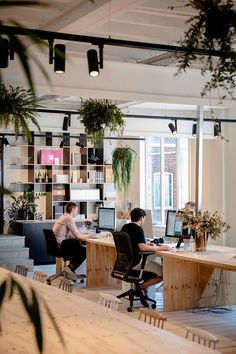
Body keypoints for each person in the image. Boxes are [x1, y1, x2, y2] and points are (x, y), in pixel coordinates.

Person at [121, 207, 169, 306]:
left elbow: (136, 244)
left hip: (126, 264)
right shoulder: (138, 230)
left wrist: (148, 245)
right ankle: (141, 287)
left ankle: (142, 290)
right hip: (136, 263)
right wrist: (160, 248)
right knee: (164, 273)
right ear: (142, 218)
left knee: (153, 269)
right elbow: (142, 248)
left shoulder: (125, 227)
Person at [52, 201, 86, 282]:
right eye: (76, 210)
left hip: (57, 246)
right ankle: (70, 268)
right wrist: (88, 236)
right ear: (72, 209)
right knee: (84, 250)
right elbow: (77, 235)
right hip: (61, 246)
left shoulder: (63, 216)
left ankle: (70, 269)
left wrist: (80, 235)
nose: (77, 212)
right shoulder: (68, 218)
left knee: (78, 246)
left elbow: (70, 234)